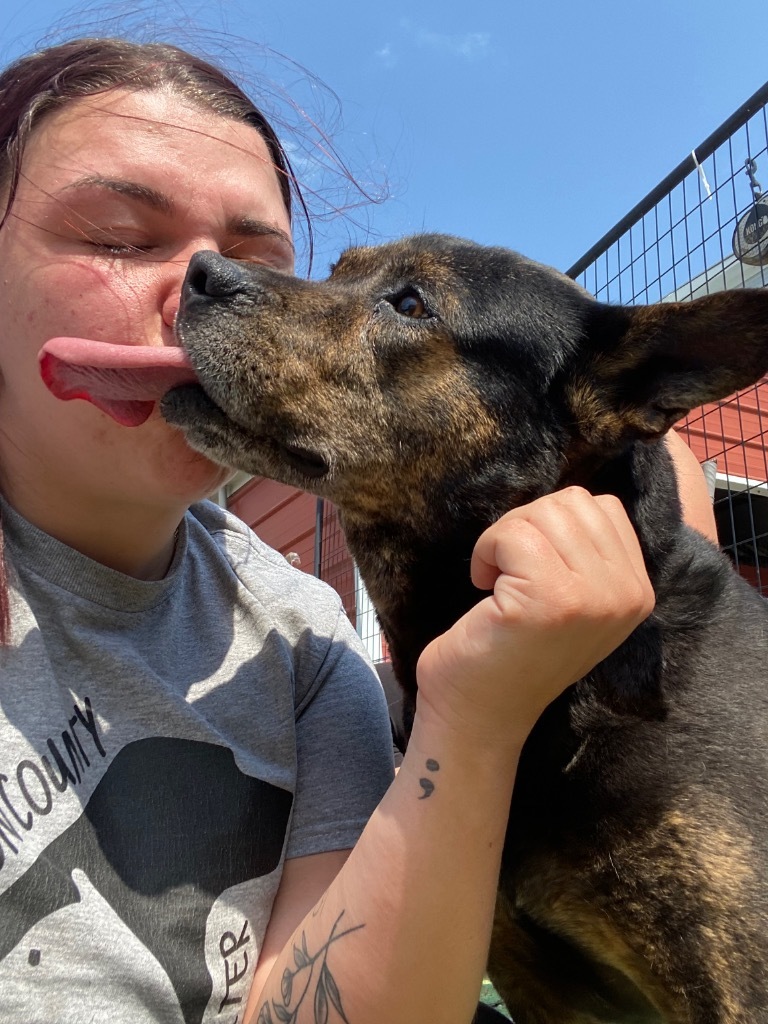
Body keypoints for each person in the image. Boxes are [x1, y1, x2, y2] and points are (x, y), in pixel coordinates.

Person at [0, 36, 716, 1024]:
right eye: (121, 236)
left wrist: (474, 717)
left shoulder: (301, 635)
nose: (208, 281)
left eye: (258, 260)